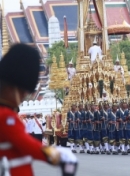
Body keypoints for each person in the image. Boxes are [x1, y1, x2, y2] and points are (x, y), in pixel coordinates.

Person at [0, 43, 77, 176]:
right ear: (11, 88)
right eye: (22, 91)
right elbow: (26, 144)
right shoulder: (5, 117)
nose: (24, 95)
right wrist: (56, 155)